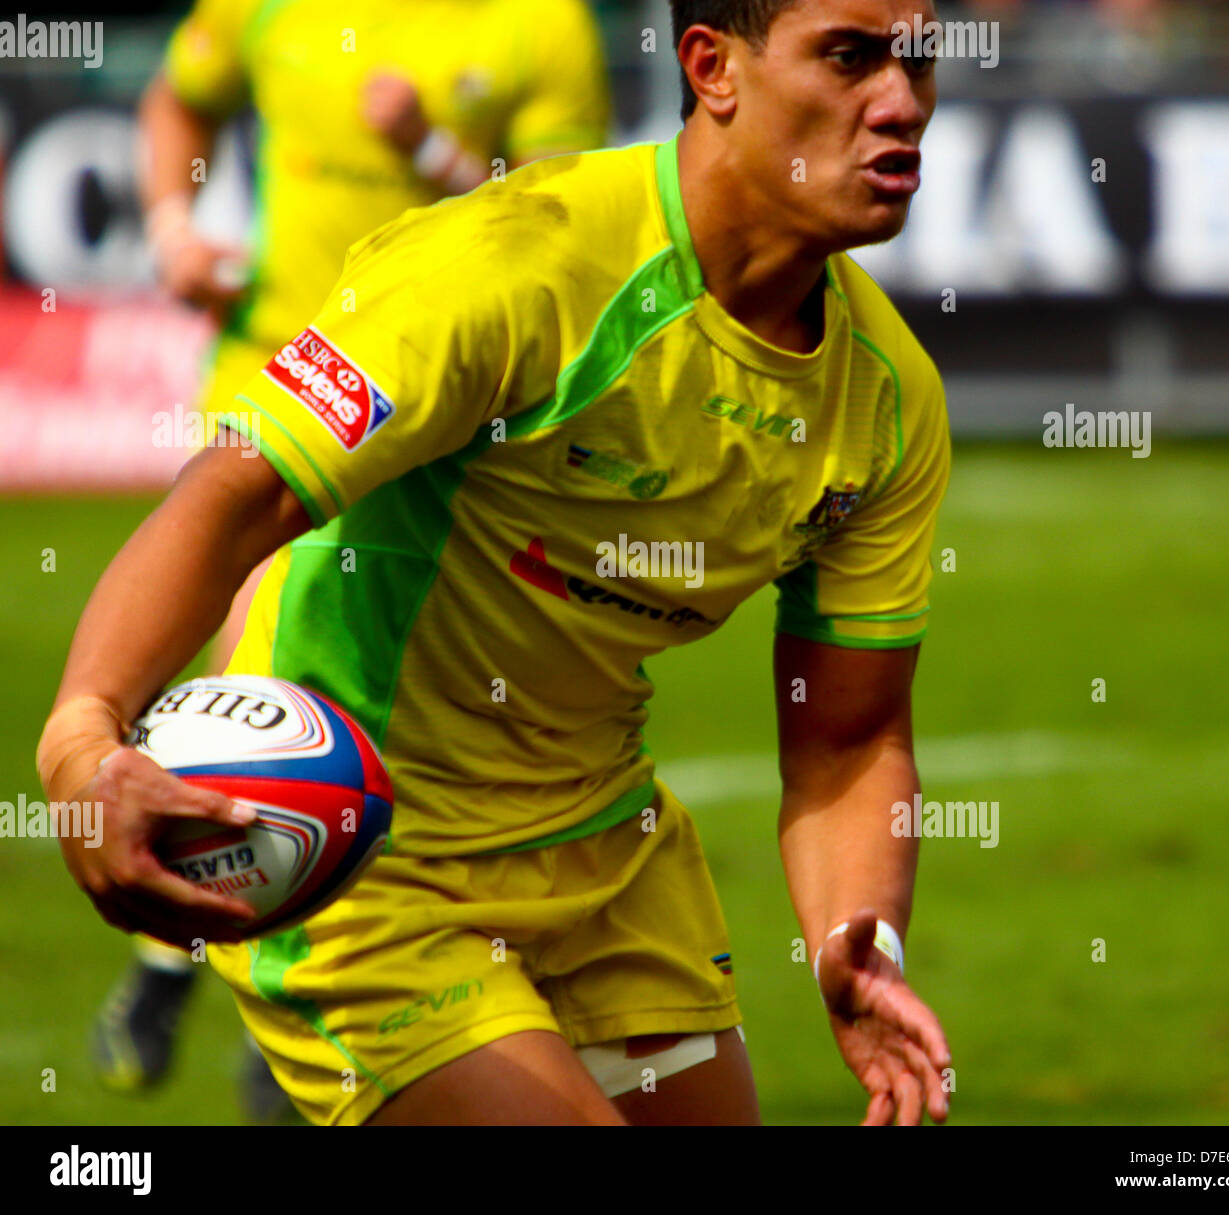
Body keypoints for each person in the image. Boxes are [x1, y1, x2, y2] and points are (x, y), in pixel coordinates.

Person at [41, 0, 953, 1126]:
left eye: (918, 62)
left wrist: (859, 945)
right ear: (711, 68)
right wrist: (82, 736)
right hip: (367, 853)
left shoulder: (890, 398)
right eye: (851, 58)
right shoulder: (525, 259)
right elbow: (245, 490)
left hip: (607, 858)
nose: (902, 102)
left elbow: (849, 739)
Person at [92, 0, 610, 1118]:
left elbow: (567, 231)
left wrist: (430, 149)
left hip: (434, 408)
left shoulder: (544, 28)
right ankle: (246, 976)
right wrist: (172, 231)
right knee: (267, 680)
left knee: (376, 708)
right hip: (275, 384)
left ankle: (209, 966)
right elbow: (180, 96)